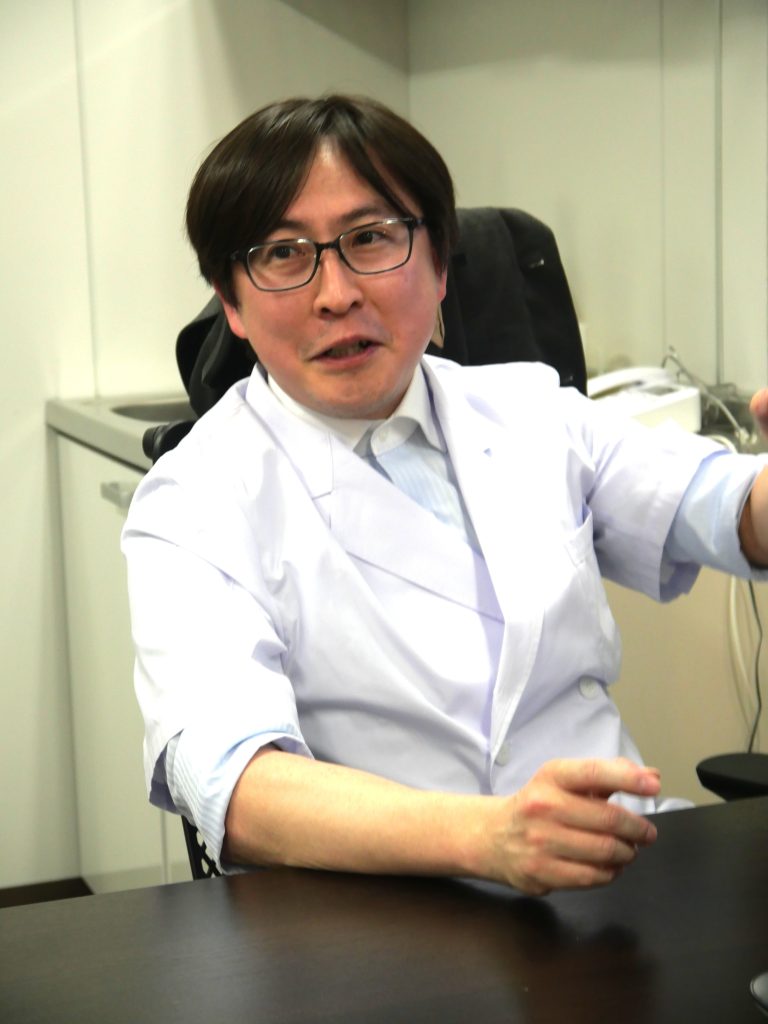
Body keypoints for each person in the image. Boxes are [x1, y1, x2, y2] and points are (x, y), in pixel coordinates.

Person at [122, 94, 768, 896]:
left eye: (369, 238)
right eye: (284, 254)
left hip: (616, 871)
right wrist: (485, 837)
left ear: (438, 264)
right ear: (232, 302)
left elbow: (723, 506)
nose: (335, 293)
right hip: (377, 916)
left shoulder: (528, 408)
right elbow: (234, 785)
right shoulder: (194, 499)